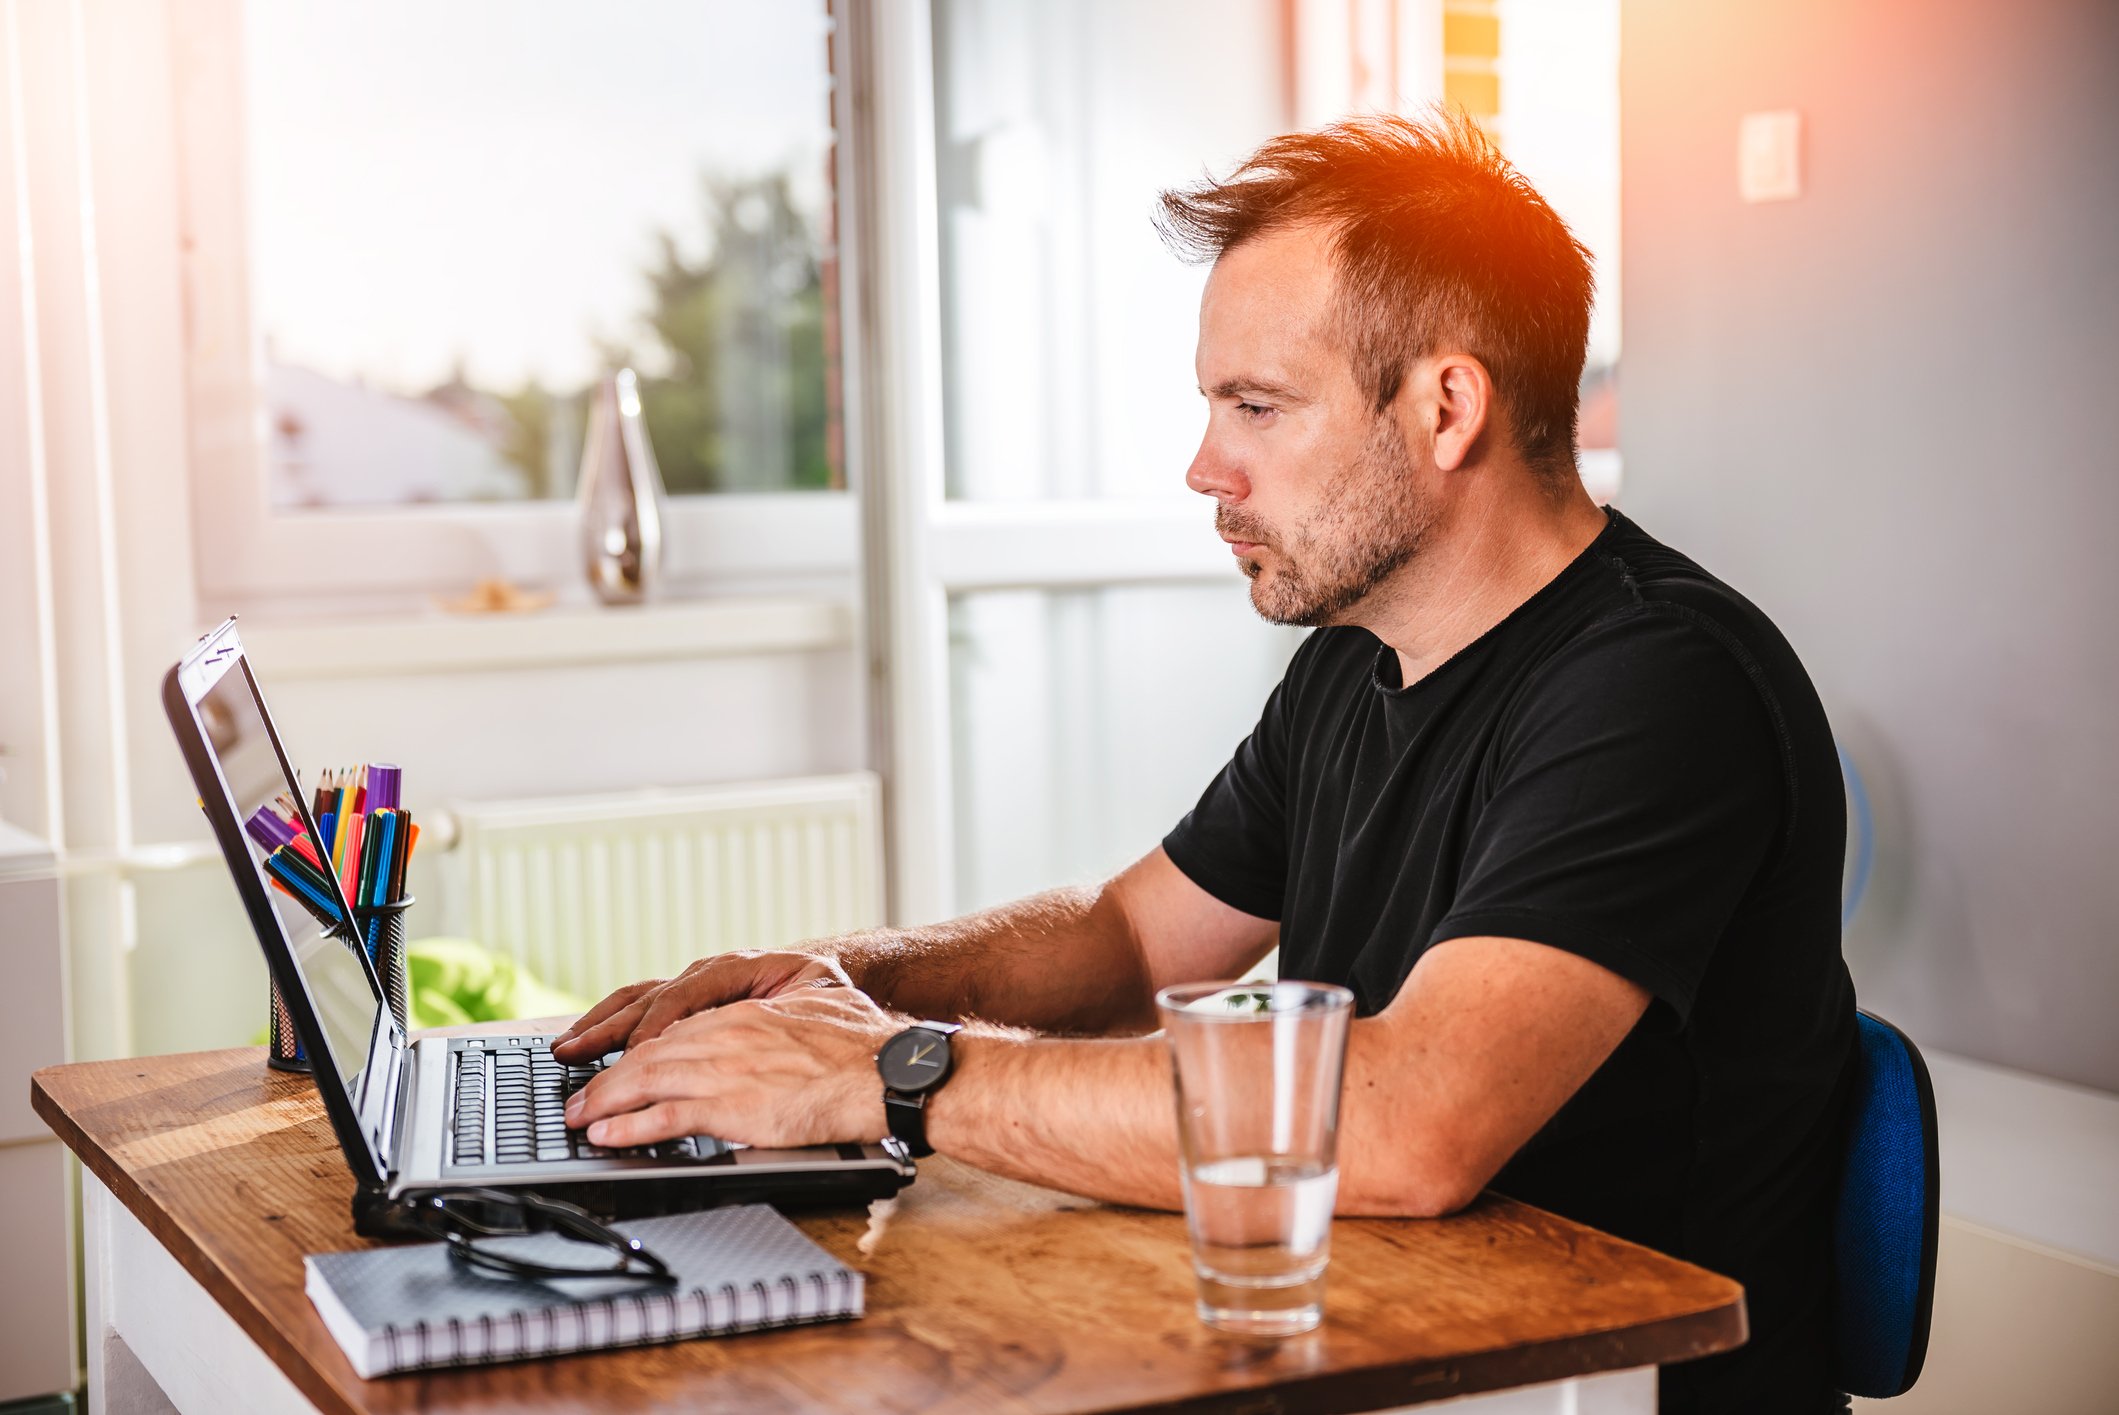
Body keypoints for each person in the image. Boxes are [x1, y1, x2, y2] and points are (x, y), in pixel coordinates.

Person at [555, 110, 1856, 1413]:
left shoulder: (1660, 687)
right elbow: (1130, 941)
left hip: (1593, 1391)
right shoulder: (1356, 663)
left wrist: (889, 1074)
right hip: (1381, 1352)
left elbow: (1413, 1131)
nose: (1203, 467)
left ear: (1446, 406)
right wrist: (846, 983)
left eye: (1258, 406)